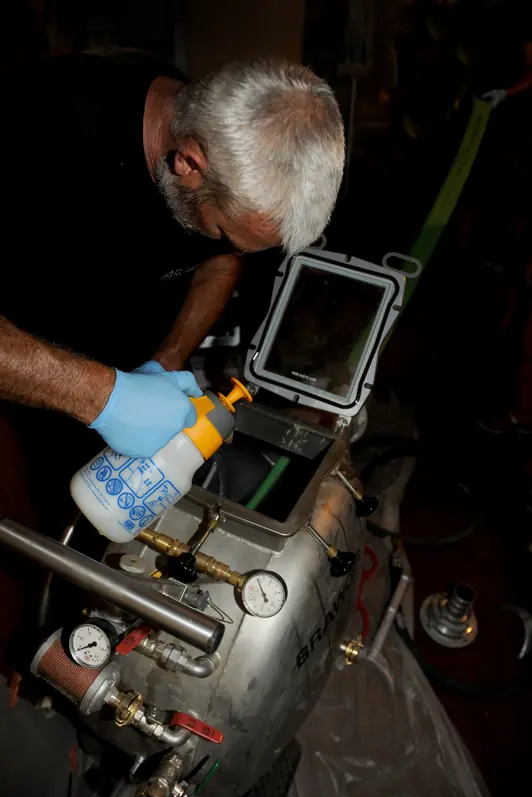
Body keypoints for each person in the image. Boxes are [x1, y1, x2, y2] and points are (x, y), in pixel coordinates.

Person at [0, 53, 345, 533]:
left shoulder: (212, 125)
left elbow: (220, 264)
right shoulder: (34, 124)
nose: (229, 250)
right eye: (224, 232)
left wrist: (167, 359)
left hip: (110, 402)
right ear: (188, 162)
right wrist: (106, 397)